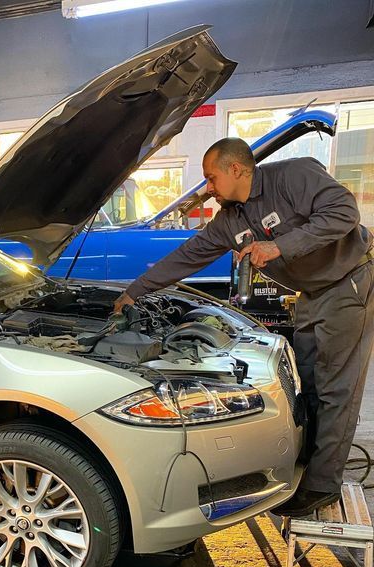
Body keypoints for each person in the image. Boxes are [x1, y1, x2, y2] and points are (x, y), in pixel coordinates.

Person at [114, 138, 374, 517]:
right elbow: (188, 256)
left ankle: (323, 485)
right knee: (305, 382)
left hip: (348, 283)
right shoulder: (231, 221)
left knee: (337, 389)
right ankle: (307, 462)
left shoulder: (293, 175)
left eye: (210, 177)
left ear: (236, 169)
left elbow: (342, 212)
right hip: (310, 294)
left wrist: (280, 246)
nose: (208, 188)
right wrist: (134, 292)